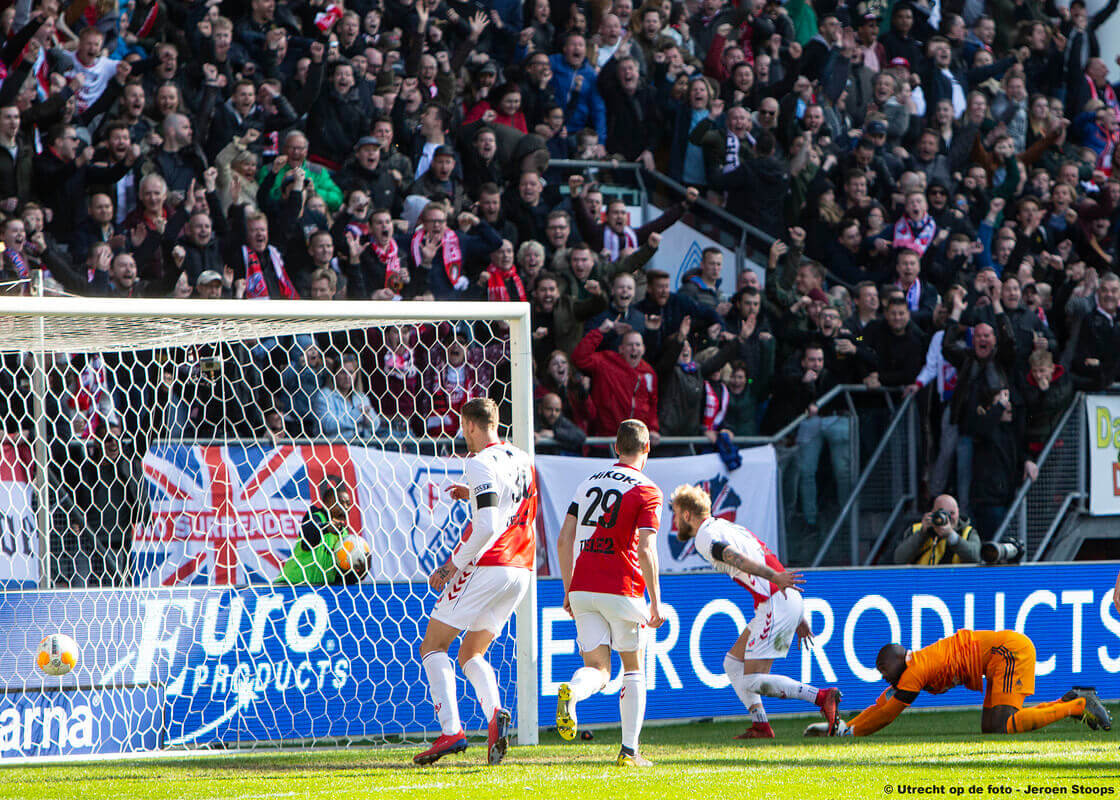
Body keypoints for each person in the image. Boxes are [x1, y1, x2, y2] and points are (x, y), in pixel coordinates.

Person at [415, 398, 536, 767]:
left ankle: (451, 730)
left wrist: (451, 566)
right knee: (471, 653)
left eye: (461, 427)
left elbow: (486, 526)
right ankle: (494, 714)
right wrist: (471, 493)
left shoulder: (479, 462)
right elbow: (514, 503)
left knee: (433, 645)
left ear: (469, 424)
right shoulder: (521, 458)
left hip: (490, 563)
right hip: (521, 569)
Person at [671, 483, 842, 739]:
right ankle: (761, 724)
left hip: (775, 600)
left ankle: (821, 696)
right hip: (780, 598)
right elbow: (766, 555)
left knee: (753, 680)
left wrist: (779, 585)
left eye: (675, 514)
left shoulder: (704, 537)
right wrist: (797, 611)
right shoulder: (729, 526)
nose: (674, 522)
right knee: (732, 663)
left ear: (686, 515)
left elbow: (732, 557)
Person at [555, 419, 664, 766]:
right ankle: (630, 752)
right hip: (623, 586)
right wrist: (656, 603)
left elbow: (563, 539)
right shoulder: (648, 490)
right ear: (646, 448)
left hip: (583, 586)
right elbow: (646, 549)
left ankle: (574, 690)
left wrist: (569, 589)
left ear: (616, 447)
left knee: (599, 669)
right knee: (632, 668)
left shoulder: (588, 483)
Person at [813, 630, 1111, 736]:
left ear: (897, 659)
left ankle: (1078, 706)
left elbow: (888, 714)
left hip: (1009, 654)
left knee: (1004, 725)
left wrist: (850, 735)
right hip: (1000, 657)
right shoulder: (911, 668)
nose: (882, 675)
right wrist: (846, 727)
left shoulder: (916, 670)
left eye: (882, 668)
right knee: (992, 727)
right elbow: (883, 702)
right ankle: (1070, 701)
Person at [276, 476, 364, 585]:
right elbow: (308, 537)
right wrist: (326, 528)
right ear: (326, 504)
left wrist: (359, 572)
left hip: (319, 592)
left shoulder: (345, 536)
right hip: (291, 586)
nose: (345, 507)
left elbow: (340, 578)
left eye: (348, 504)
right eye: (340, 503)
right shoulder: (314, 518)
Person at [893, 494, 980, 565]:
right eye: (942, 513)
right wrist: (922, 534)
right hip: (921, 582)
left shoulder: (968, 532)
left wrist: (952, 536)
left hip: (954, 583)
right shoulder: (917, 529)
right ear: (932, 512)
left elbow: (976, 558)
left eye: (952, 513)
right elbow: (899, 559)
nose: (947, 517)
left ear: (958, 512)